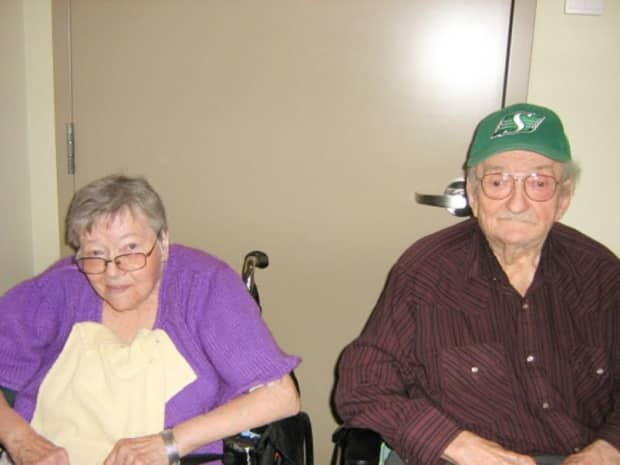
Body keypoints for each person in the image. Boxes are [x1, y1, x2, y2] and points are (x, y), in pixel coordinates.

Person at [334, 103, 620, 465]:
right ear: (472, 192)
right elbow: (362, 384)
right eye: (498, 182)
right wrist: (457, 444)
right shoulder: (426, 271)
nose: (517, 203)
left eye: (539, 183)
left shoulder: (601, 273)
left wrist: (607, 448)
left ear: (564, 197)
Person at [0, 175, 301, 465]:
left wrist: (167, 445)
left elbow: (280, 396)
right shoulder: (60, 288)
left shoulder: (204, 286)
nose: (113, 272)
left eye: (130, 250)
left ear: (163, 242)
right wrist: (19, 439)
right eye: (95, 254)